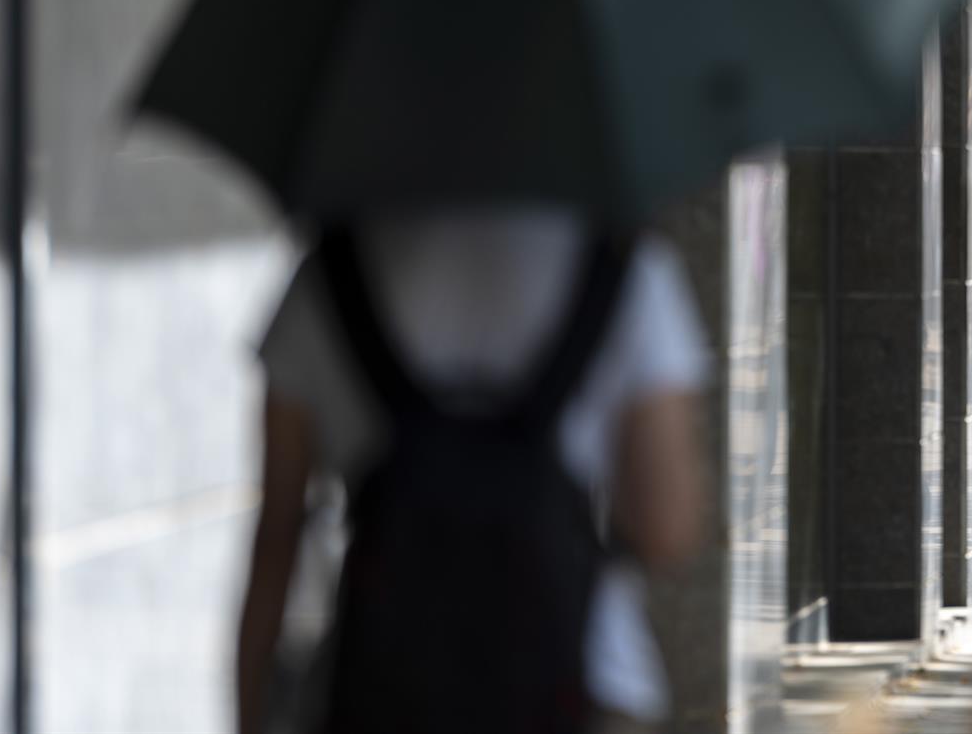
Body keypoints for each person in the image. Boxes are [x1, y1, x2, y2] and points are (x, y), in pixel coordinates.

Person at [235, 209, 709, 734]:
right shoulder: (627, 272)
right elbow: (667, 528)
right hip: (585, 680)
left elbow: (275, 540)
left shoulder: (326, 277)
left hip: (382, 684)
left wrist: (250, 710)